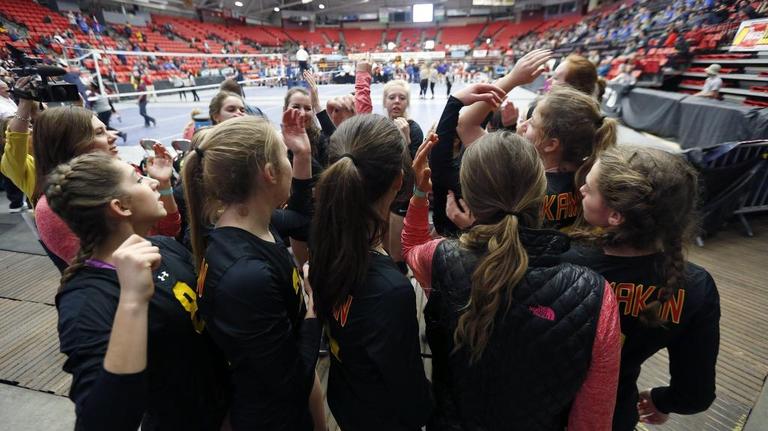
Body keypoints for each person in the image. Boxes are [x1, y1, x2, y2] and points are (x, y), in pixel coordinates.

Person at [401, 130, 620, 430]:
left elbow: (411, 247)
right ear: (539, 190)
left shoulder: (441, 259)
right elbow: (592, 421)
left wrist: (419, 193)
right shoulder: (595, 294)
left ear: (470, 196)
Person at [45, 153, 228, 430]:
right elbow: (101, 422)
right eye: (139, 178)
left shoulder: (163, 246)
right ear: (120, 206)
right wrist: (132, 300)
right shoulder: (86, 299)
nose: (152, 182)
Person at [563, 146, 720, 430]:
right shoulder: (696, 288)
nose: (582, 187)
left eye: (592, 186)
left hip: (542, 405)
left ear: (616, 215)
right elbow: (696, 394)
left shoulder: (562, 262)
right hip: (613, 414)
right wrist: (663, 401)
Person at [183, 114, 322, 430]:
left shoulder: (256, 222)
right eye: (285, 157)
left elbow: (302, 219)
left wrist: (302, 155)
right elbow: (291, 383)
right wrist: (314, 310)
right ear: (270, 173)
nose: (290, 162)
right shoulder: (246, 278)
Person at [309, 113, 433, 431]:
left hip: (346, 396)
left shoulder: (323, 245)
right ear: (397, 181)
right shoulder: (390, 291)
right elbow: (408, 390)